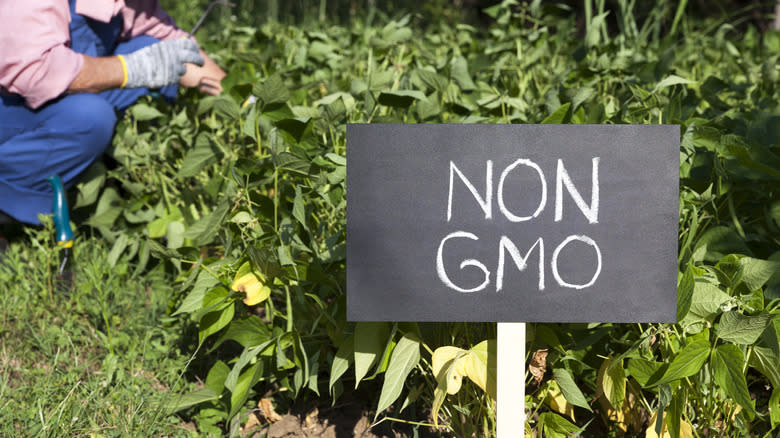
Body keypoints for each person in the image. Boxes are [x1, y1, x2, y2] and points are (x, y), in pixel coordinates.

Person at [0, 0, 226, 226]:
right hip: (12, 104)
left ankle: (134, 183)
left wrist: (242, 104)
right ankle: (9, 204)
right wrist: (130, 69)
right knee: (91, 118)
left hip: (56, 97)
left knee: (153, 48)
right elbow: (35, 71)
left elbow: (175, 45)